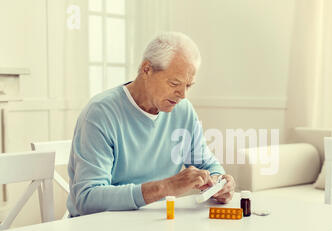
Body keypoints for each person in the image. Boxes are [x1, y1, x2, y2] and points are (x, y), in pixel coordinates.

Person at [67, 32, 235, 217]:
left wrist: (219, 181)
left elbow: (207, 164)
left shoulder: (183, 110)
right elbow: (88, 198)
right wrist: (165, 187)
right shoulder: (100, 113)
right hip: (103, 228)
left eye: (188, 86)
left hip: (158, 224)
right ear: (147, 69)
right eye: (174, 83)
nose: (183, 95)